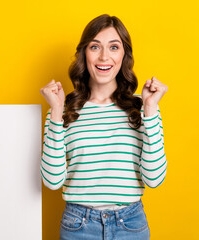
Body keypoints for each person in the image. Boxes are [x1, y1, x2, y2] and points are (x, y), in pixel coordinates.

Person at [39, 14, 168, 240]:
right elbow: (52, 180)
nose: (104, 57)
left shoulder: (142, 107)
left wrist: (149, 109)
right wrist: (57, 112)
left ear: (124, 55)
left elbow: (154, 178)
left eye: (114, 47)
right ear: (84, 54)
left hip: (131, 225)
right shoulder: (63, 109)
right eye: (95, 47)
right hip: (78, 226)